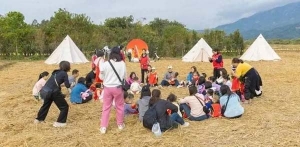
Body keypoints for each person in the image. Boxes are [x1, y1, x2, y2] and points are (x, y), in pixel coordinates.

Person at [34, 61, 71, 127]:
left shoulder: (55, 72)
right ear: (68, 67)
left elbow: (54, 82)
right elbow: (67, 85)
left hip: (45, 91)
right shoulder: (64, 73)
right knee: (64, 107)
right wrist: (71, 84)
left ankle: (38, 119)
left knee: (46, 105)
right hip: (54, 92)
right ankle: (60, 123)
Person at [99, 47, 127, 134]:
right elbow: (124, 76)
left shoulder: (106, 64)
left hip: (107, 88)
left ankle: (103, 127)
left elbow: (101, 77)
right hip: (118, 88)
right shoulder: (122, 63)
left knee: (106, 107)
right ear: (119, 54)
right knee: (120, 107)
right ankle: (120, 124)